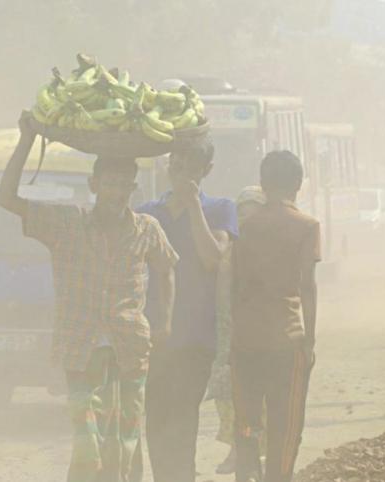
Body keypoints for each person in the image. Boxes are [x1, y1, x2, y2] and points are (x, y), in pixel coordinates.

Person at [0, 112, 179, 482]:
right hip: (81, 345)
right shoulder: (66, 224)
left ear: (133, 189)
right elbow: (7, 198)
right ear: (94, 184)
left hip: (130, 345)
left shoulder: (147, 229)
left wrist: (165, 323)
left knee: (126, 439)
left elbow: (168, 268)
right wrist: (27, 140)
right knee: (88, 442)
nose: (116, 192)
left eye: (124, 185)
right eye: (109, 184)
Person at [136, 137, 238, 481]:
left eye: (190, 167)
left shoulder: (220, 209)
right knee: (156, 422)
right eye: (176, 164)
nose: (180, 173)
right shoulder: (147, 213)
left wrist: (192, 204)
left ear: (205, 171)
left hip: (195, 339)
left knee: (182, 422)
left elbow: (213, 260)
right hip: (153, 338)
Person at [231, 151, 320, 482]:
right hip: (287, 338)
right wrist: (309, 342)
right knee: (285, 424)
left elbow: (235, 286)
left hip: (246, 339)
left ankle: (246, 474)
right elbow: (307, 287)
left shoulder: (245, 227)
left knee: (247, 419)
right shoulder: (307, 226)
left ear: (264, 185)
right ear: (297, 185)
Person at [211, 186, 267, 475]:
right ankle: (237, 449)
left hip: (259, 333)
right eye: (241, 213)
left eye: (253, 213)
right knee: (225, 394)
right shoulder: (226, 245)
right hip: (225, 332)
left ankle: (253, 454)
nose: (246, 219)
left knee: (257, 398)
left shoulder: (271, 249)